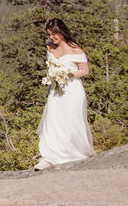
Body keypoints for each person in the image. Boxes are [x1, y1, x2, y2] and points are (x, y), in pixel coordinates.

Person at [34, 18, 95, 171]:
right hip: (56, 89)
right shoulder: (49, 47)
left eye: (54, 34)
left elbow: (85, 70)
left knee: (71, 120)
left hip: (72, 89)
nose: (52, 38)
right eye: (49, 34)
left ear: (62, 31)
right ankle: (50, 155)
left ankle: (72, 153)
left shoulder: (75, 49)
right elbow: (50, 65)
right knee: (53, 120)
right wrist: (52, 74)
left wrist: (69, 74)